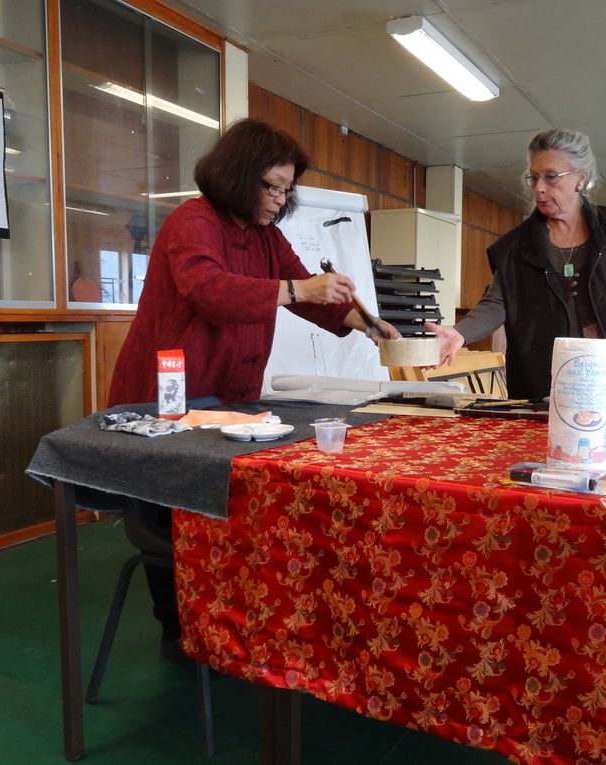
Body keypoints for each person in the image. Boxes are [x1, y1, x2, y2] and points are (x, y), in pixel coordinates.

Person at [107, 118, 399, 663]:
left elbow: (312, 295)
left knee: (214, 510)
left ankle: (216, 617)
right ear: (238, 175)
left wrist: (373, 327)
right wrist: (296, 288)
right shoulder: (193, 221)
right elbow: (209, 290)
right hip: (169, 398)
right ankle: (177, 632)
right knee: (168, 515)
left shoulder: (267, 236)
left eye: (286, 189)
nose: (279, 199)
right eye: (271, 186)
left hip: (230, 397)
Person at [427, 128, 606, 407]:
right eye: (534, 177)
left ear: (581, 178)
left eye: (551, 176)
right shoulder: (515, 247)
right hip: (547, 387)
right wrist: (461, 333)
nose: (539, 187)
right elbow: (497, 303)